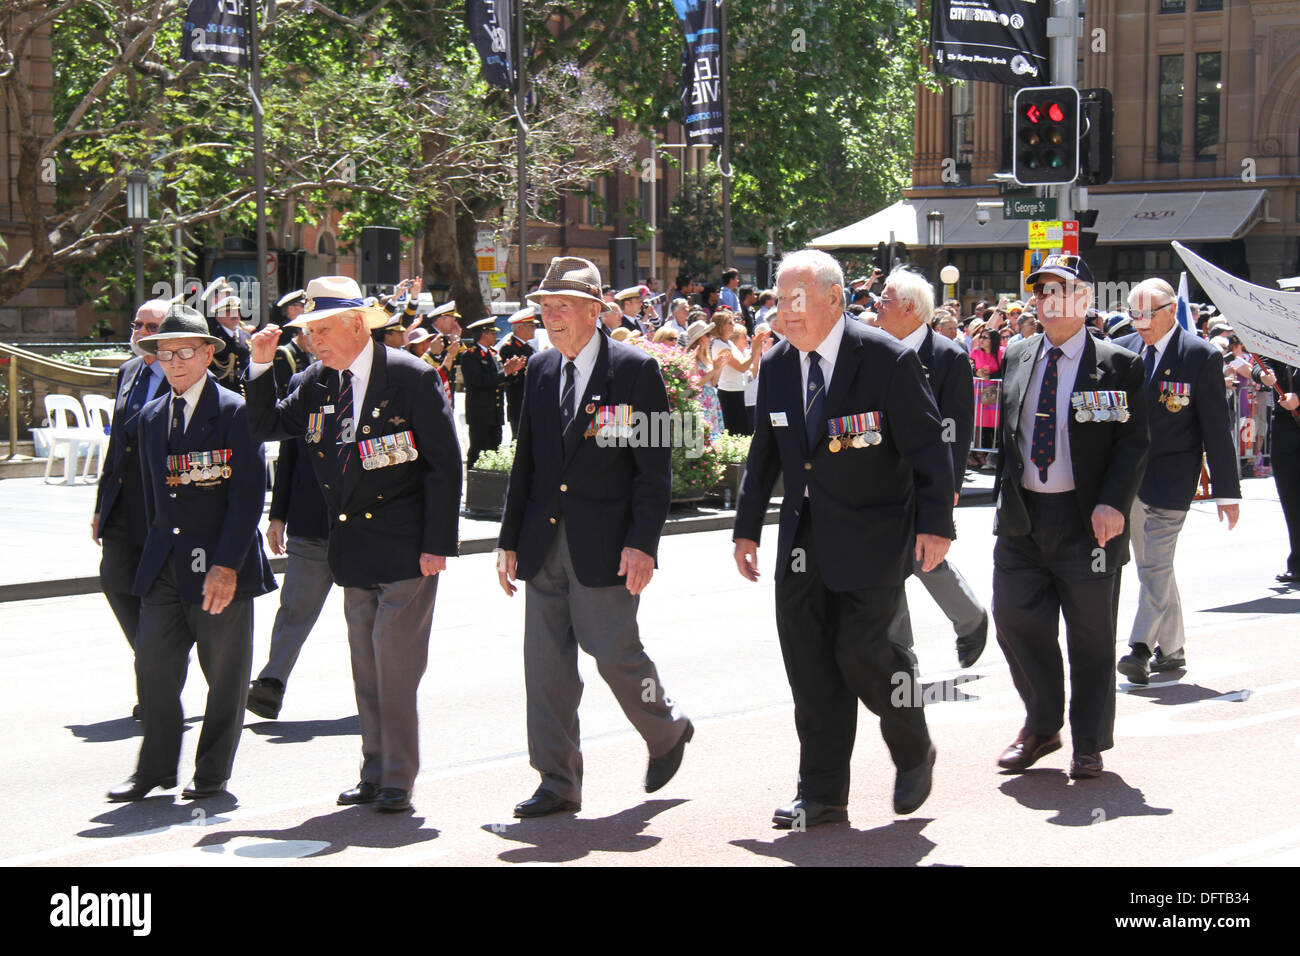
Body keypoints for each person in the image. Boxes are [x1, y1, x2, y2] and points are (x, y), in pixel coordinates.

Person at [732, 249, 955, 828]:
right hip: (803, 543)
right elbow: (764, 454)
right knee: (811, 668)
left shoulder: (885, 359)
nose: (784, 310)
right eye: (779, 299)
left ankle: (912, 746)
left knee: (866, 655)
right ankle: (823, 792)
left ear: (834, 299)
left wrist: (936, 525)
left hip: (873, 540)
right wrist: (746, 528)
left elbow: (929, 449)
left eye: (796, 299)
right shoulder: (779, 364)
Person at [244, 276, 462, 813]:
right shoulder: (317, 380)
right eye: (308, 330)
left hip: (408, 547)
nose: (313, 339)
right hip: (352, 546)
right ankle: (373, 771)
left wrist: (438, 543)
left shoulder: (411, 376)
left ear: (354, 324)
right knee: (366, 666)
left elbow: (445, 464)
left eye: (321, 328)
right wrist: (259, 365)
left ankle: (396, 778)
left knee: (394, 665)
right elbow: (267, 425)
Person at [496, 256, 693, 818]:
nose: (550, 317)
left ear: (593, 310)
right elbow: (526, 463)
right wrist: (508, 540)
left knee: (616, 655)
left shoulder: (634, 370)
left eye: (561, 307)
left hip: (606, 543)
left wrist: (643, 542)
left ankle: (668, 727)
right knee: (545, 667)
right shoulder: (539, 370)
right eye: (544, 307)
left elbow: (654, 468)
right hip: (542, 543)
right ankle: (557, 781)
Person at [107, 305, 276, 801]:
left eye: (184, 351)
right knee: (153, 669)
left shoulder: (234, 411)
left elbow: (248, 497)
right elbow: (152, 499)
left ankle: (211, 772)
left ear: (207, 353)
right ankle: (154, 768)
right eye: (164, 352)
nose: (174, 361)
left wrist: (226, 565)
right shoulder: (153, 416)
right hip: (165, 565)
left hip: (220, 565)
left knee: (224, 677)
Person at [991, 254, 1148, 780]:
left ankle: (1088, 742)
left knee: (1091, 636)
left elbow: (1133, 443)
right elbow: (1007, 437)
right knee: (1014, 619)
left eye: (1061, 291)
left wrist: (1113, 502)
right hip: (1023, 521)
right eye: (1041, 292)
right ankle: (1042, 726)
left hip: (1087, 522)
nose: (1048, 301)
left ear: (1084, 300)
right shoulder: (1017, 354)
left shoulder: (1119, 364)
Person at [1110, 278, 1240, 684]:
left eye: (1146, 313)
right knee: (1156, 569)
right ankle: (1174, 646)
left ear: (1170, 310)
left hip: (1172, 478)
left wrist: (1227, 491)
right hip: (1130, 480)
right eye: (1133, 313)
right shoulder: (1124, 350)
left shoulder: (1200, 356)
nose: (1139, 322)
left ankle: (1140, 647)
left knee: (1155, 564)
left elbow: (1217, 428)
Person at [874, 268, 988, 669]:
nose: (876, 306)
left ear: (908, 307)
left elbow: (955, 430)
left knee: (920, 557)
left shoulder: (948, 356)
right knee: (890, 563)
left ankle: (968, 619)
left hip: (926, 480)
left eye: (884, 300)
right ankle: (900, 656)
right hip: (879, 481)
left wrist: (950, 487)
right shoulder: (873, 349)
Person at [92, 299, 170, 719]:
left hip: (161, 509)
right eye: (137, 323)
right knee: (116, 583)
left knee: (155, 596)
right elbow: (116, 448)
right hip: (122, 506)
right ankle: (158, 662)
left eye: (151, 324)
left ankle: (156, 683)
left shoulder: (185, 377)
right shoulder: (129, 372)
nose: (140, 331)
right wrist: (101, 506)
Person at [246, 368, 334, 720]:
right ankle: (271, 683)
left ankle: (387, 690)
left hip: (369, 527)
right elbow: (291, 453)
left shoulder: (392, 376)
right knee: (295, 608)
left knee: (371, 617)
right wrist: (278, 514)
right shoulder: (305, 382)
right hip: (312, 520)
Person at [1252, 358, 1300, 583]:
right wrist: (1261, 375)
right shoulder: (1280, 333)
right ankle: (1298, 562)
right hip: (1285, 427)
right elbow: (1259, 363)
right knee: (1291, 498)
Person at [461, 317, 527, 468]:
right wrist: (506, 372)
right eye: (492, 333)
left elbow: (500, 380)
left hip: (495, 412)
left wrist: (513, 373)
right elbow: (479, 381)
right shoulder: (470, 355)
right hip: (480, 412)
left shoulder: (493, 353)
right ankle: (474, 484)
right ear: (484, 334)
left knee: (494, 448)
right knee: (478, 450)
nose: (495, 336)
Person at [710, 310, 757, 435]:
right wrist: (755, 350)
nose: (733, 325)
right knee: (736, 432)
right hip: (729, 394)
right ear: (721, 326)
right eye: (730, 323)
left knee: (743, 431)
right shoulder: (719, 345)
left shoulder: (729, 343)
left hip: (739, 391)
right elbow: (742, 367)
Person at [499, 305, 541, 438]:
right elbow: (509, 378)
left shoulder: (528, 347)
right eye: (532, 325)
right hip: (518, 401)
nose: (535, 328)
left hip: (531, 400)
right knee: (518, 439)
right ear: (521, 327)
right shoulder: (508, 349)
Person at [686, 318, 723, 435]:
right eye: (707, 335)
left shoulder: (706, 356)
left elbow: (713, 382)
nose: (710, 338)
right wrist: (715, 369)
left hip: (711, 400)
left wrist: (720, 366)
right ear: (699, 338)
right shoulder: (692, 357)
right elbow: (695, 384)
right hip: (700, 401)